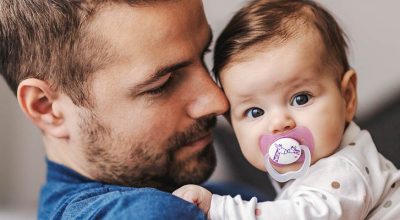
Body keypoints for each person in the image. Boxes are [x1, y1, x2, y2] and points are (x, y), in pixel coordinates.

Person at [0, 0, 231, 219]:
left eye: (204, 54)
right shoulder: (151, 213)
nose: (218, 101)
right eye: (162, 85)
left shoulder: (217, 196)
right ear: (46, 108)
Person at [173, 0, 400, 219]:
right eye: (255, 112)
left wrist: (219, 210)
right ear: (232, 123)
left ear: (347, 97)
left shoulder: (345, 171)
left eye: (300, 98)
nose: (279, 122)